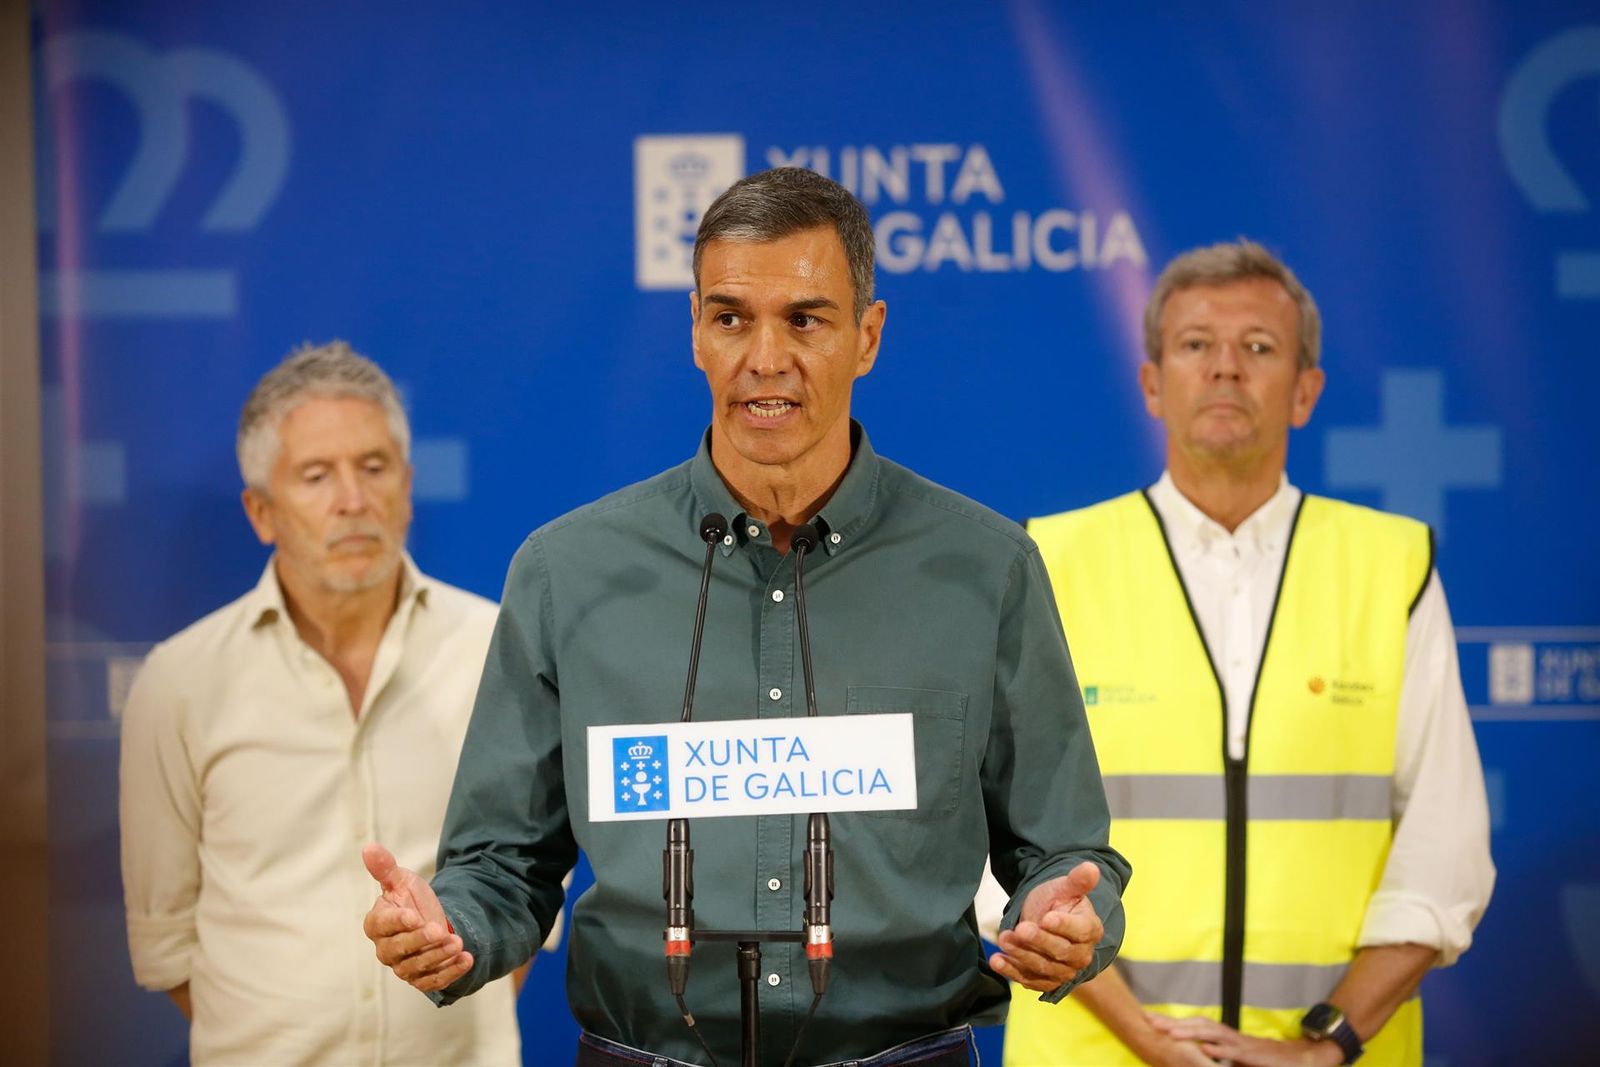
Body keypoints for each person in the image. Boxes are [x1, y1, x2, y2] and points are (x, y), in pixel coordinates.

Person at [359, 167, 1131, 1066]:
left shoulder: (986, 568)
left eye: (805, 319)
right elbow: (504, 867)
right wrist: (451, 927)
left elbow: (1065, 851)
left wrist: (1069, 918)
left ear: (868, 336)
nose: (766, 357)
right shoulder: (566, 571)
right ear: (695, 331)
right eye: (731, 318)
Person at [991, 240, 1494, 1065]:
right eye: (1195, 345)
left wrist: (1323, 1047)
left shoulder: (1391, 569)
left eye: (1259, 347)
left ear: (1305, 391)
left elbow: (1447, 858)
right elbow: (992, 851)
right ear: (1152, 382)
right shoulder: (1048, 562)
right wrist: (1148, 1039)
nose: (1226, 368)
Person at [120, 343, 539, 1065]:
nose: (353, 499)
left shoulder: (494, 649)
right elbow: (169, 944)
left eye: (374, 468)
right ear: (260, 510)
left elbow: (527, 893)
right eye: (316, 475)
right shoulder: (180, 680)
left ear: (406, 487)